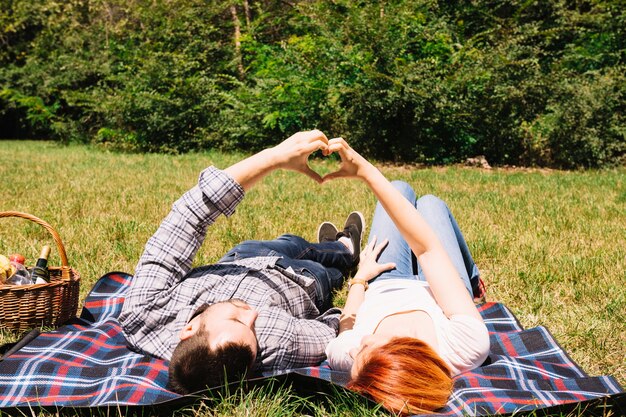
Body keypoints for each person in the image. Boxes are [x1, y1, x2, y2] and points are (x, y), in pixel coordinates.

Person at [118, 130, 365, 395]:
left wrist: (275, 156)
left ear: (189, 329)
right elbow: (330, 329)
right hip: (302, 281)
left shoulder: (144, 313)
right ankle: (345, 249)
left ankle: (327, 246)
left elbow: (188, 217)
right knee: (329, 270)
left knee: (293, 242)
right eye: (253, 331)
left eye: (236, 319)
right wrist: (358, 285)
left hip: (243, 259)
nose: (252, 315)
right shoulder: (275, 343)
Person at [321, 138, 490, 416]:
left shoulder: (349, 358)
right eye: (364, 350)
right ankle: (472, 278)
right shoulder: (465, 346)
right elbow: (427, 249)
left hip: (386, 280)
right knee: (431, 204)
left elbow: (348, 324)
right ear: (401, 350)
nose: (354, 350)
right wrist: (365, 171)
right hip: (442, 288)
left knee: (399, 188)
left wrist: (361, 278)